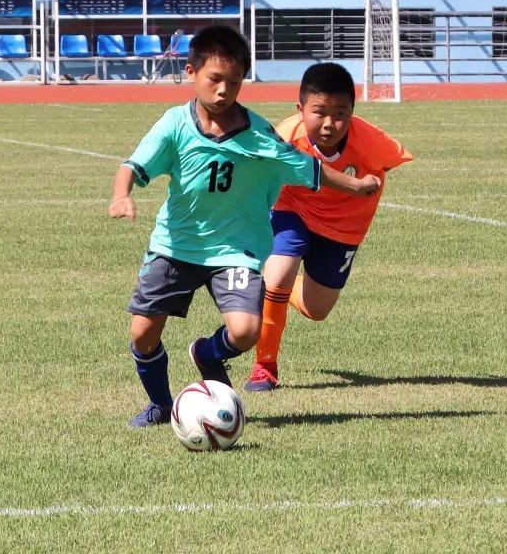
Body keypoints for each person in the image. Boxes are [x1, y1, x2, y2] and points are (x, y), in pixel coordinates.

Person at [109, 26, 383, 427]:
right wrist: (122, 193)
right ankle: (161, 405)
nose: (224, 90)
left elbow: (310, 169)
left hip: (235, 250)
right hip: (175, 245)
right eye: (214, 79)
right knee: (142, 334)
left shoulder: (258, 134)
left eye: (234, 82)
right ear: (191, 73)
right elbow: (132, 165)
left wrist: (356, 184)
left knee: (246, 330)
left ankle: (208, 354)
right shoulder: (174, 124)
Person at [245, 63, 414, 392]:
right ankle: (264, 365)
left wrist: (372, 184)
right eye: (319, 112)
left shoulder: (370, 140)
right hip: (291, 206)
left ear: (352, 110)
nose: (329, 123)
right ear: (300, 109)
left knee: (317, 309)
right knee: (278, 272)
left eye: (340, 113)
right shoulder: (286, 135)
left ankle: (277, 286)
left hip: (344, 225)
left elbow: (391, 160)